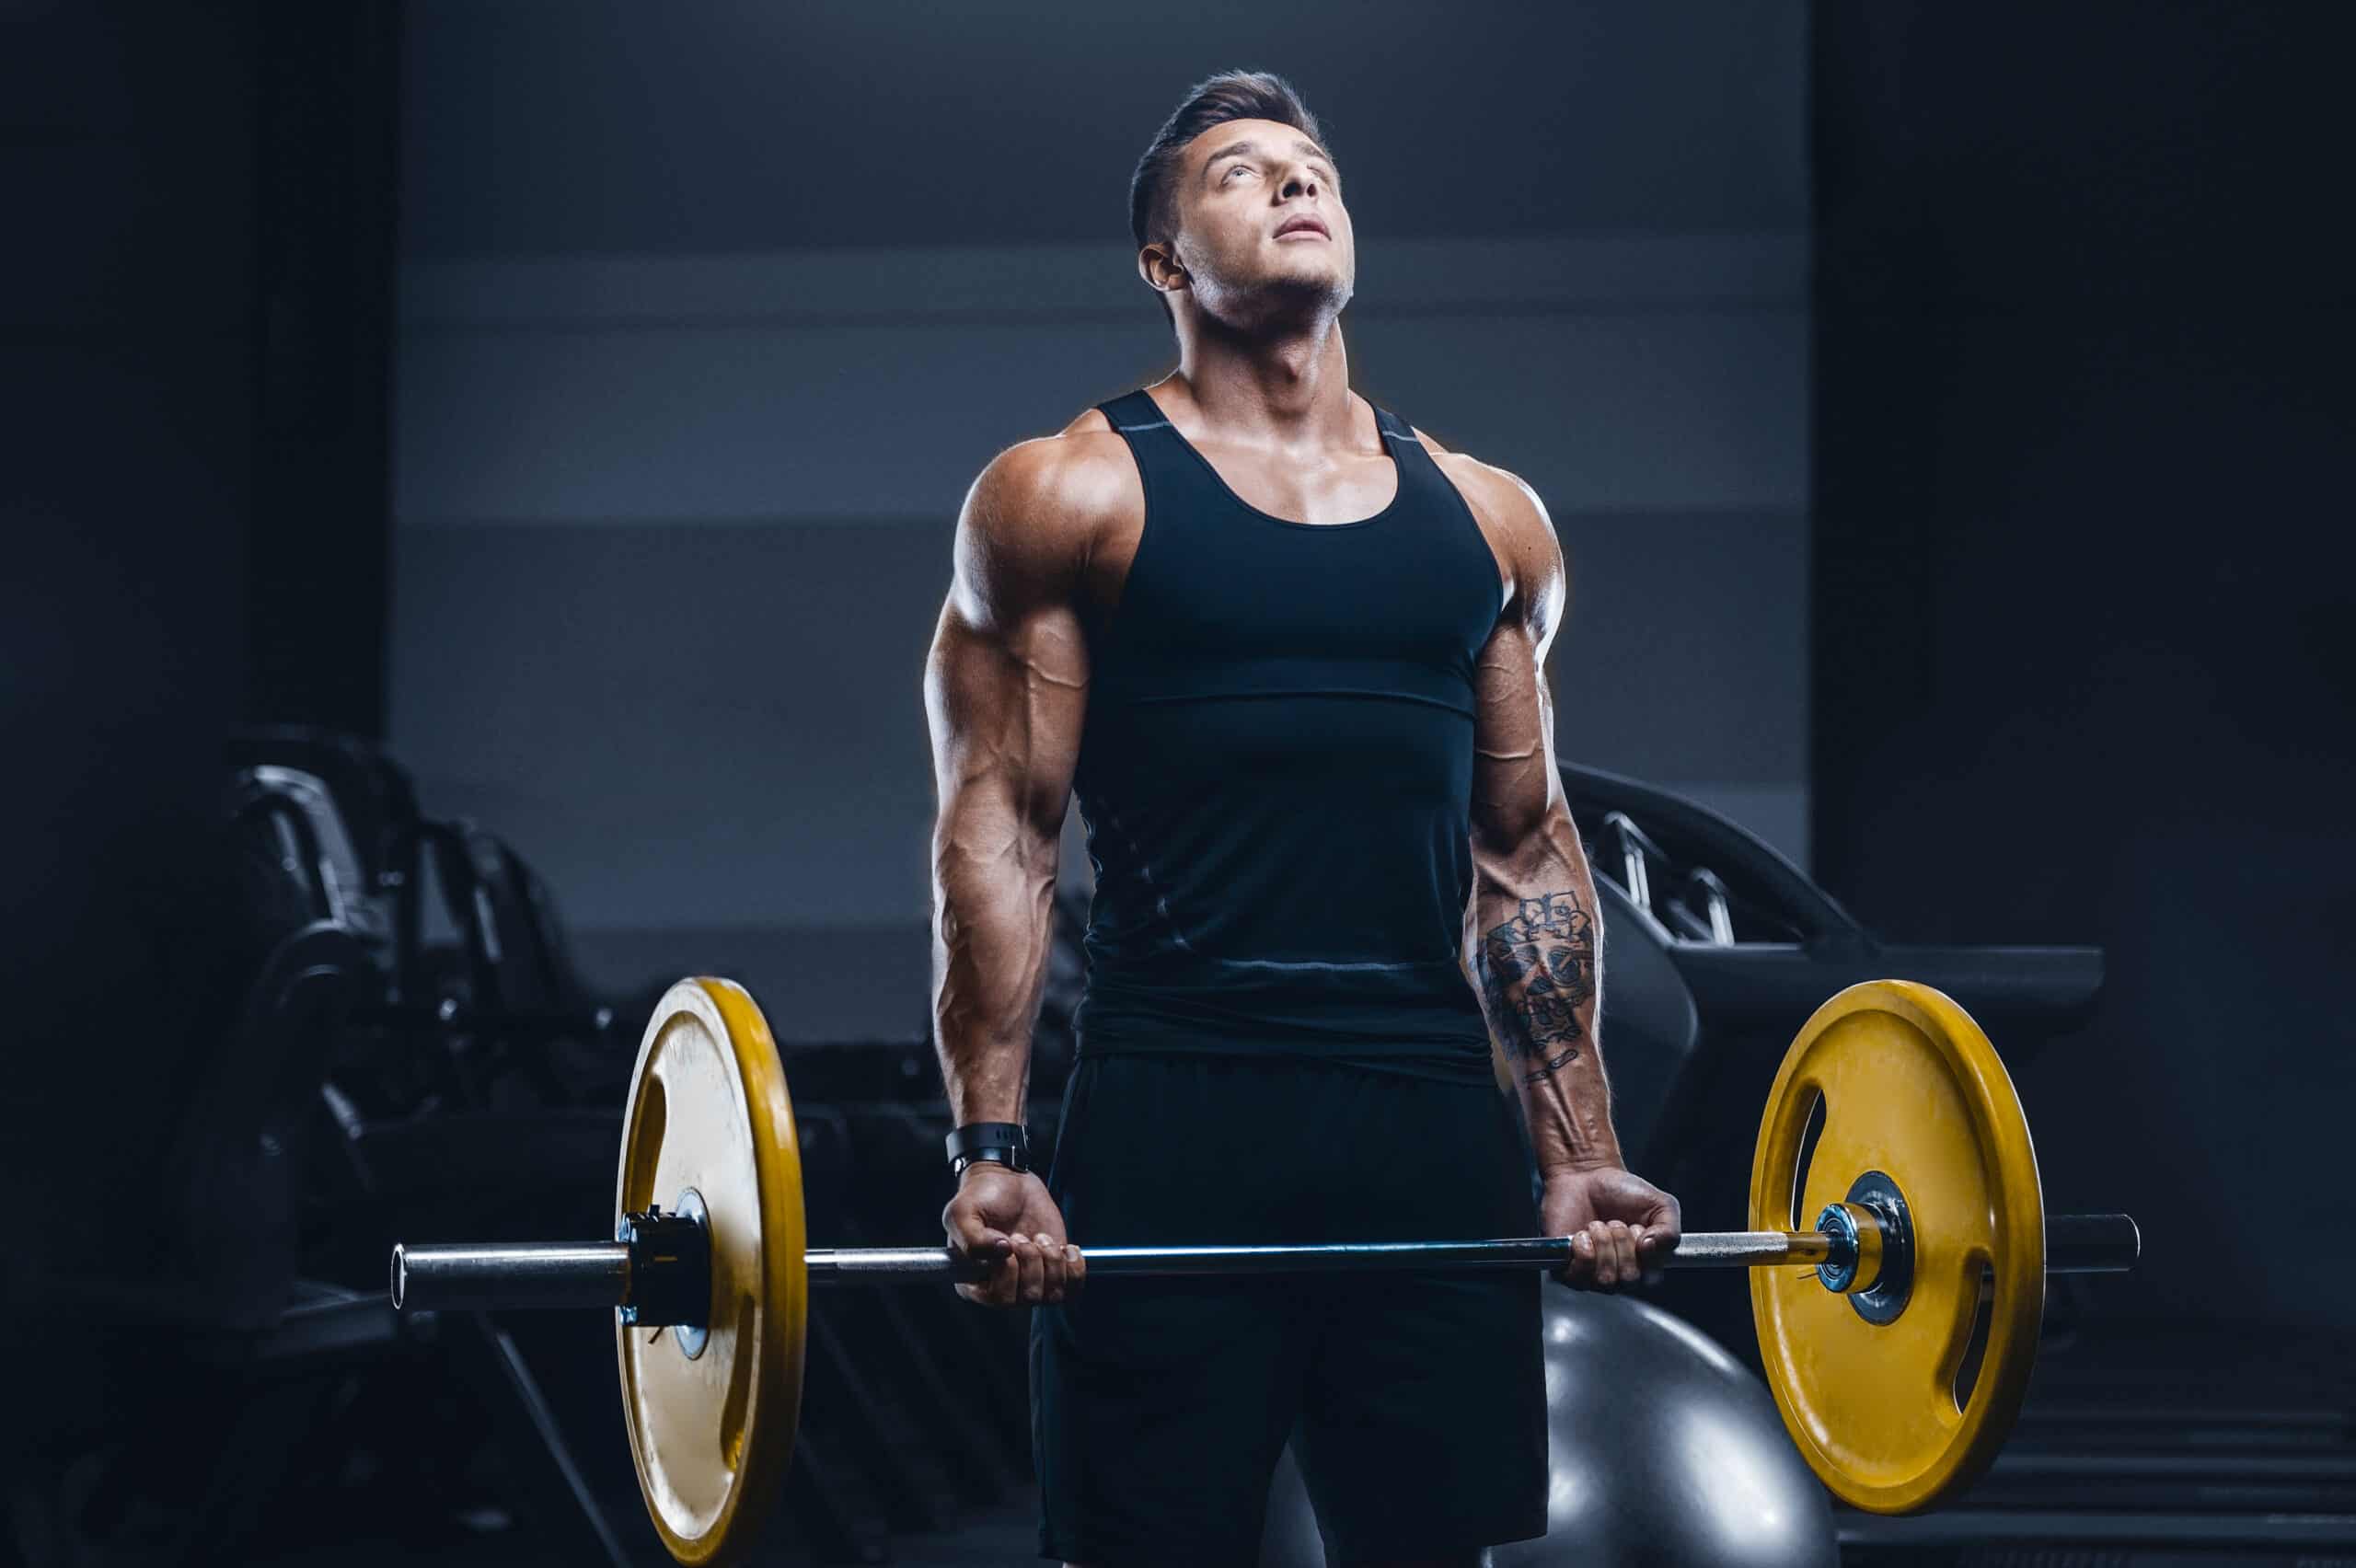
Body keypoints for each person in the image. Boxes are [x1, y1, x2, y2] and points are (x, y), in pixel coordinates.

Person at [922, 68, 1682, 1567]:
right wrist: (989, 1147)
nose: (1292, 184)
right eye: (1240, 172)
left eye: (1312, 166)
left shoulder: (1487, 518)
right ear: (1164, 263)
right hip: (1174, 1111)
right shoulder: (1068, 494)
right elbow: (1002, 826)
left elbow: (1521, 852)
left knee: (1430, 1549)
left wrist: (1578, 1147)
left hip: (1426, 1126)